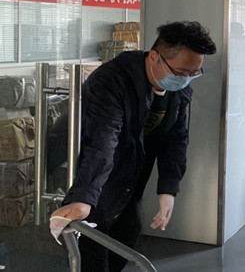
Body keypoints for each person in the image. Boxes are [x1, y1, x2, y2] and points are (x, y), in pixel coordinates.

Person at [49, 21, 217, 272]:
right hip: (92, 171)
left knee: (126, 236)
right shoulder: (112, 80)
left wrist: (168, 189)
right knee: (94, 249)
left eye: (194, 74)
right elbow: (103, 141)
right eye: (182, 72)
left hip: (131, 173)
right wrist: (83, 197)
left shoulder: (177, 88)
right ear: (154, 57)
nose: (186, 80)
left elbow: (176, 138)